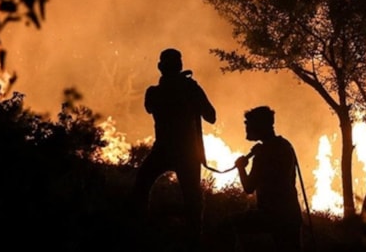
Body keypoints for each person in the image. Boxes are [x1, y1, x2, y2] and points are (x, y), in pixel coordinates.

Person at [129, 48, 217, 250]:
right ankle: (192, 239)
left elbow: (151, 107)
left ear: (160, 68)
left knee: (141, 185)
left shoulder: (155, 92)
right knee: (192, 199)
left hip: (165, 150)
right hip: (186, 153)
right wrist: (190, 94)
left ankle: (139, 231)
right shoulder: (189, 88)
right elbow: (211, 116)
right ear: (179, 67)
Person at [233, 106, 303, 252]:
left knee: (229, 226)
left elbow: (249, 188)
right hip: (292, 214)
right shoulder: (285, 145)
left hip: (271, 216)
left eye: (249, 123)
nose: (246, 126)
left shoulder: (263, 154)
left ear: (260, 126)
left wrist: (240, 167)